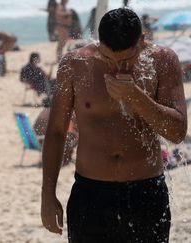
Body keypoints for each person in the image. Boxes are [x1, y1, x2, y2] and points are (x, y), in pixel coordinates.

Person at [41, 8, 187, 242]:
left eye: (127, 59)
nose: (116, 68)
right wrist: (47, 195)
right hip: (91, 193)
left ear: (142, 40)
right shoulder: (75, 63)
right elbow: (57, 132)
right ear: (99, 42)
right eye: (108, 58)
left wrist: (135, 96)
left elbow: (178, 131)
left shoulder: (163, 60)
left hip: (145, 192)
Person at [33, 98, 77, 166]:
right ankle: (66, 158)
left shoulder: (45, 111)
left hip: (38, 141)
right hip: (50, 141)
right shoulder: (61, 112)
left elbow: (35, 128)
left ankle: (66, 158)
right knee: (74, 136)